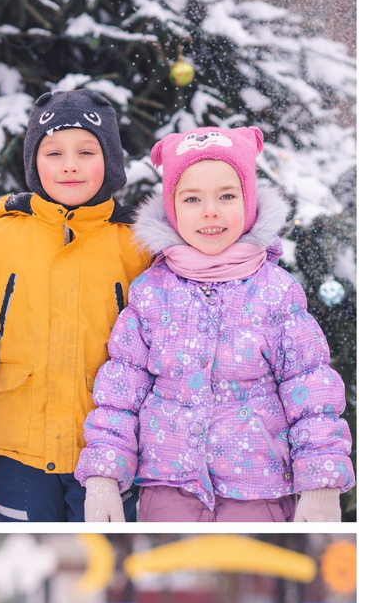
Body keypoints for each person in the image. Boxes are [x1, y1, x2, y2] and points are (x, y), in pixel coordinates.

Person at [75, 125, 351, 523]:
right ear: (172, 208)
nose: (210, 211)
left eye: (227, 196)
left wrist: (321, 484)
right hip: (169, 489)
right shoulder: (151, 292)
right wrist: (102, 477)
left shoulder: (276, 292)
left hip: (261, 490)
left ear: (249, 202)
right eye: (192, 198)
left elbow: (311, 391)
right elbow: (121, 392)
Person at [0, 85, 157, 522]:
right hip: (16, 441)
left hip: (109, 445)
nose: (70, 165)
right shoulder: (1, 234)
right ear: (34, 161)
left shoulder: (136, 242)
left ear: (109, 160)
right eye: (53, 153)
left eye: (86, 152)